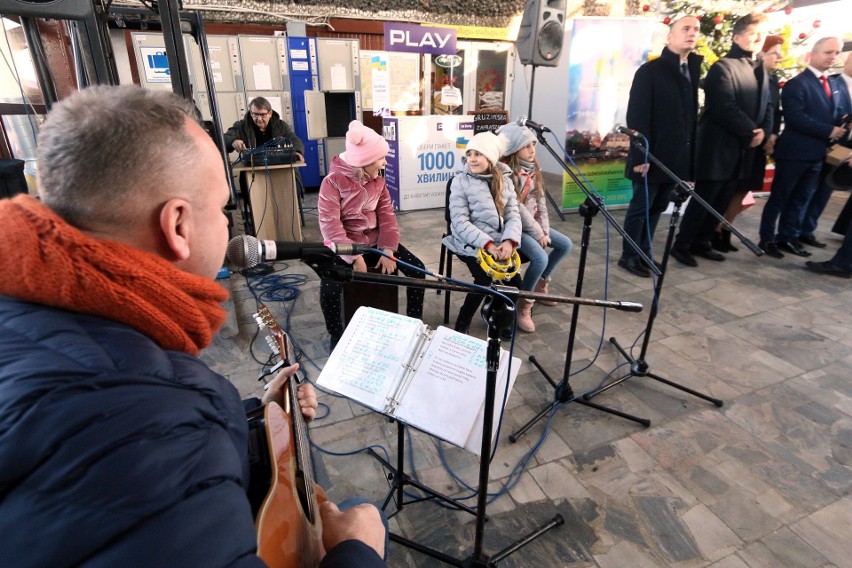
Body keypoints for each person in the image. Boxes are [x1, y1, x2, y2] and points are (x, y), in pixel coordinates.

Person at [0, 85, 386, 568]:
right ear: (177, 225)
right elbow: (147, 449)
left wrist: (253, 424)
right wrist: (358, 552)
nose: (231, 230)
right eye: (224, 209)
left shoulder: (28, 305)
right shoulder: (154, 422)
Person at [670, 12, 773, 267]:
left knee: (723, 198)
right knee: (705, 198)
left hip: (743, 149)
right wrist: (753, 131)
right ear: (737, 36)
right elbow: (723, 106)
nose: (759, 38)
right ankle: (682, 244)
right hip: (717, 149)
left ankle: (703, 241)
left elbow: (768, 104)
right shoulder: (723, 67)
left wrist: (764, 131)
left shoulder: (761, 67)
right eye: (752, 33)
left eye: (762, 34)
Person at [317, 120, 425, 349]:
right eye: (380, 158)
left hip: (376, 244)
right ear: (364, 161)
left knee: (419, 271)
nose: (385, 162)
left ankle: (414, 326)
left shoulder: (378, 182)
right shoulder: (332, 183)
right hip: (345, 247)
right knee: (329, 288)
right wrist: (354, 257)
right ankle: (336, 333)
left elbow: (388, 218)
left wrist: (388, 250)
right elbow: (330, 226)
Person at [617, 15, 702, 277]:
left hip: (675, 158)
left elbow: (690, 122)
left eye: (696, 30)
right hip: (651, 157)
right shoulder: (650, 72)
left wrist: (689, 168)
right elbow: (638, 117)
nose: (691, 33)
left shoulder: (692, 70)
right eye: (685, 28)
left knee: (656, 209)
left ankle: (644, 251)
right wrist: (641, 155)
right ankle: (629, 256)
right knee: (640, 208)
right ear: (670, 36)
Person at [757, 36, 846, 259]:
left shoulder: (832, 84)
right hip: (794, 153)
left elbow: (830, 113)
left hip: (817, 154)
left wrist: (842, 121)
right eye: (828, 52)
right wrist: (829, 131)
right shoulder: (797, 83)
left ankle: (787, 237)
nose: (832, 57)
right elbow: (796, 118)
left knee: (800, 199)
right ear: (812, 55)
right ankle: (767, 239)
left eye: (835, 53)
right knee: (780, 197)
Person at [443, 131, 524, 336]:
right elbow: (459, 222)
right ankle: (463, 321)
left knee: (515, 282)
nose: (472, 159)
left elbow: (513, 214)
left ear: (490, 157)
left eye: (477, 154)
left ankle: (498, 316)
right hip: (469, 241)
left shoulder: (505, 180)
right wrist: (487, 244)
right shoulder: (460, 182)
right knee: (484, 280)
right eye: (469, 154)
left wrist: (509, 241)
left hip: (499, 242)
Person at [712, 35, 785, 254]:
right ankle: (714, 229)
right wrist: (753, 132)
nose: (779, 58)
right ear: (762, 53)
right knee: (728, 189)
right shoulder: (745, 72)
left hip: (759, 142)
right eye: (774, 53)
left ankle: (725, 226)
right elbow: (732, 106)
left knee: (744, 190)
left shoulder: (771, 80)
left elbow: (771, 108)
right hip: (741, 140)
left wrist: (768, 134)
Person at [498, 122, 573, 332]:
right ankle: (525, 302)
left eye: (534, 145)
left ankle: (541, 284)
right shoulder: (506, 174)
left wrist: (546, 230)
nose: (532, 151)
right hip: (514, 227)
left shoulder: (534, 170)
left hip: (533, 225)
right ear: (514, 148)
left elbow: (541, 204)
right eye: (527, 146)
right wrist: (538, 232)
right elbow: (517, 209)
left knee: (565, 244)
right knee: (541, 257)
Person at [796, 49, 852, 249]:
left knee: (825, 191)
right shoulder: (832, 82)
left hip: (846, 148)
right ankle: (796, 230)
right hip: (826, 144)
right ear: (847, 61)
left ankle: (808, 229)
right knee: (809, 190)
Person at [225, 96, 304, 160]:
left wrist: (297, 152)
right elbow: (224, 139)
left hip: (279, 167)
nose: (258, 119)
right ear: (250, 112)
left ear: (270, 113)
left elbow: (295, 140)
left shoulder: (281, 126)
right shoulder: (241, 126)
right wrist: (233, 141)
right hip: (252, 170)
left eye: (263, 115)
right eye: (255, 114)